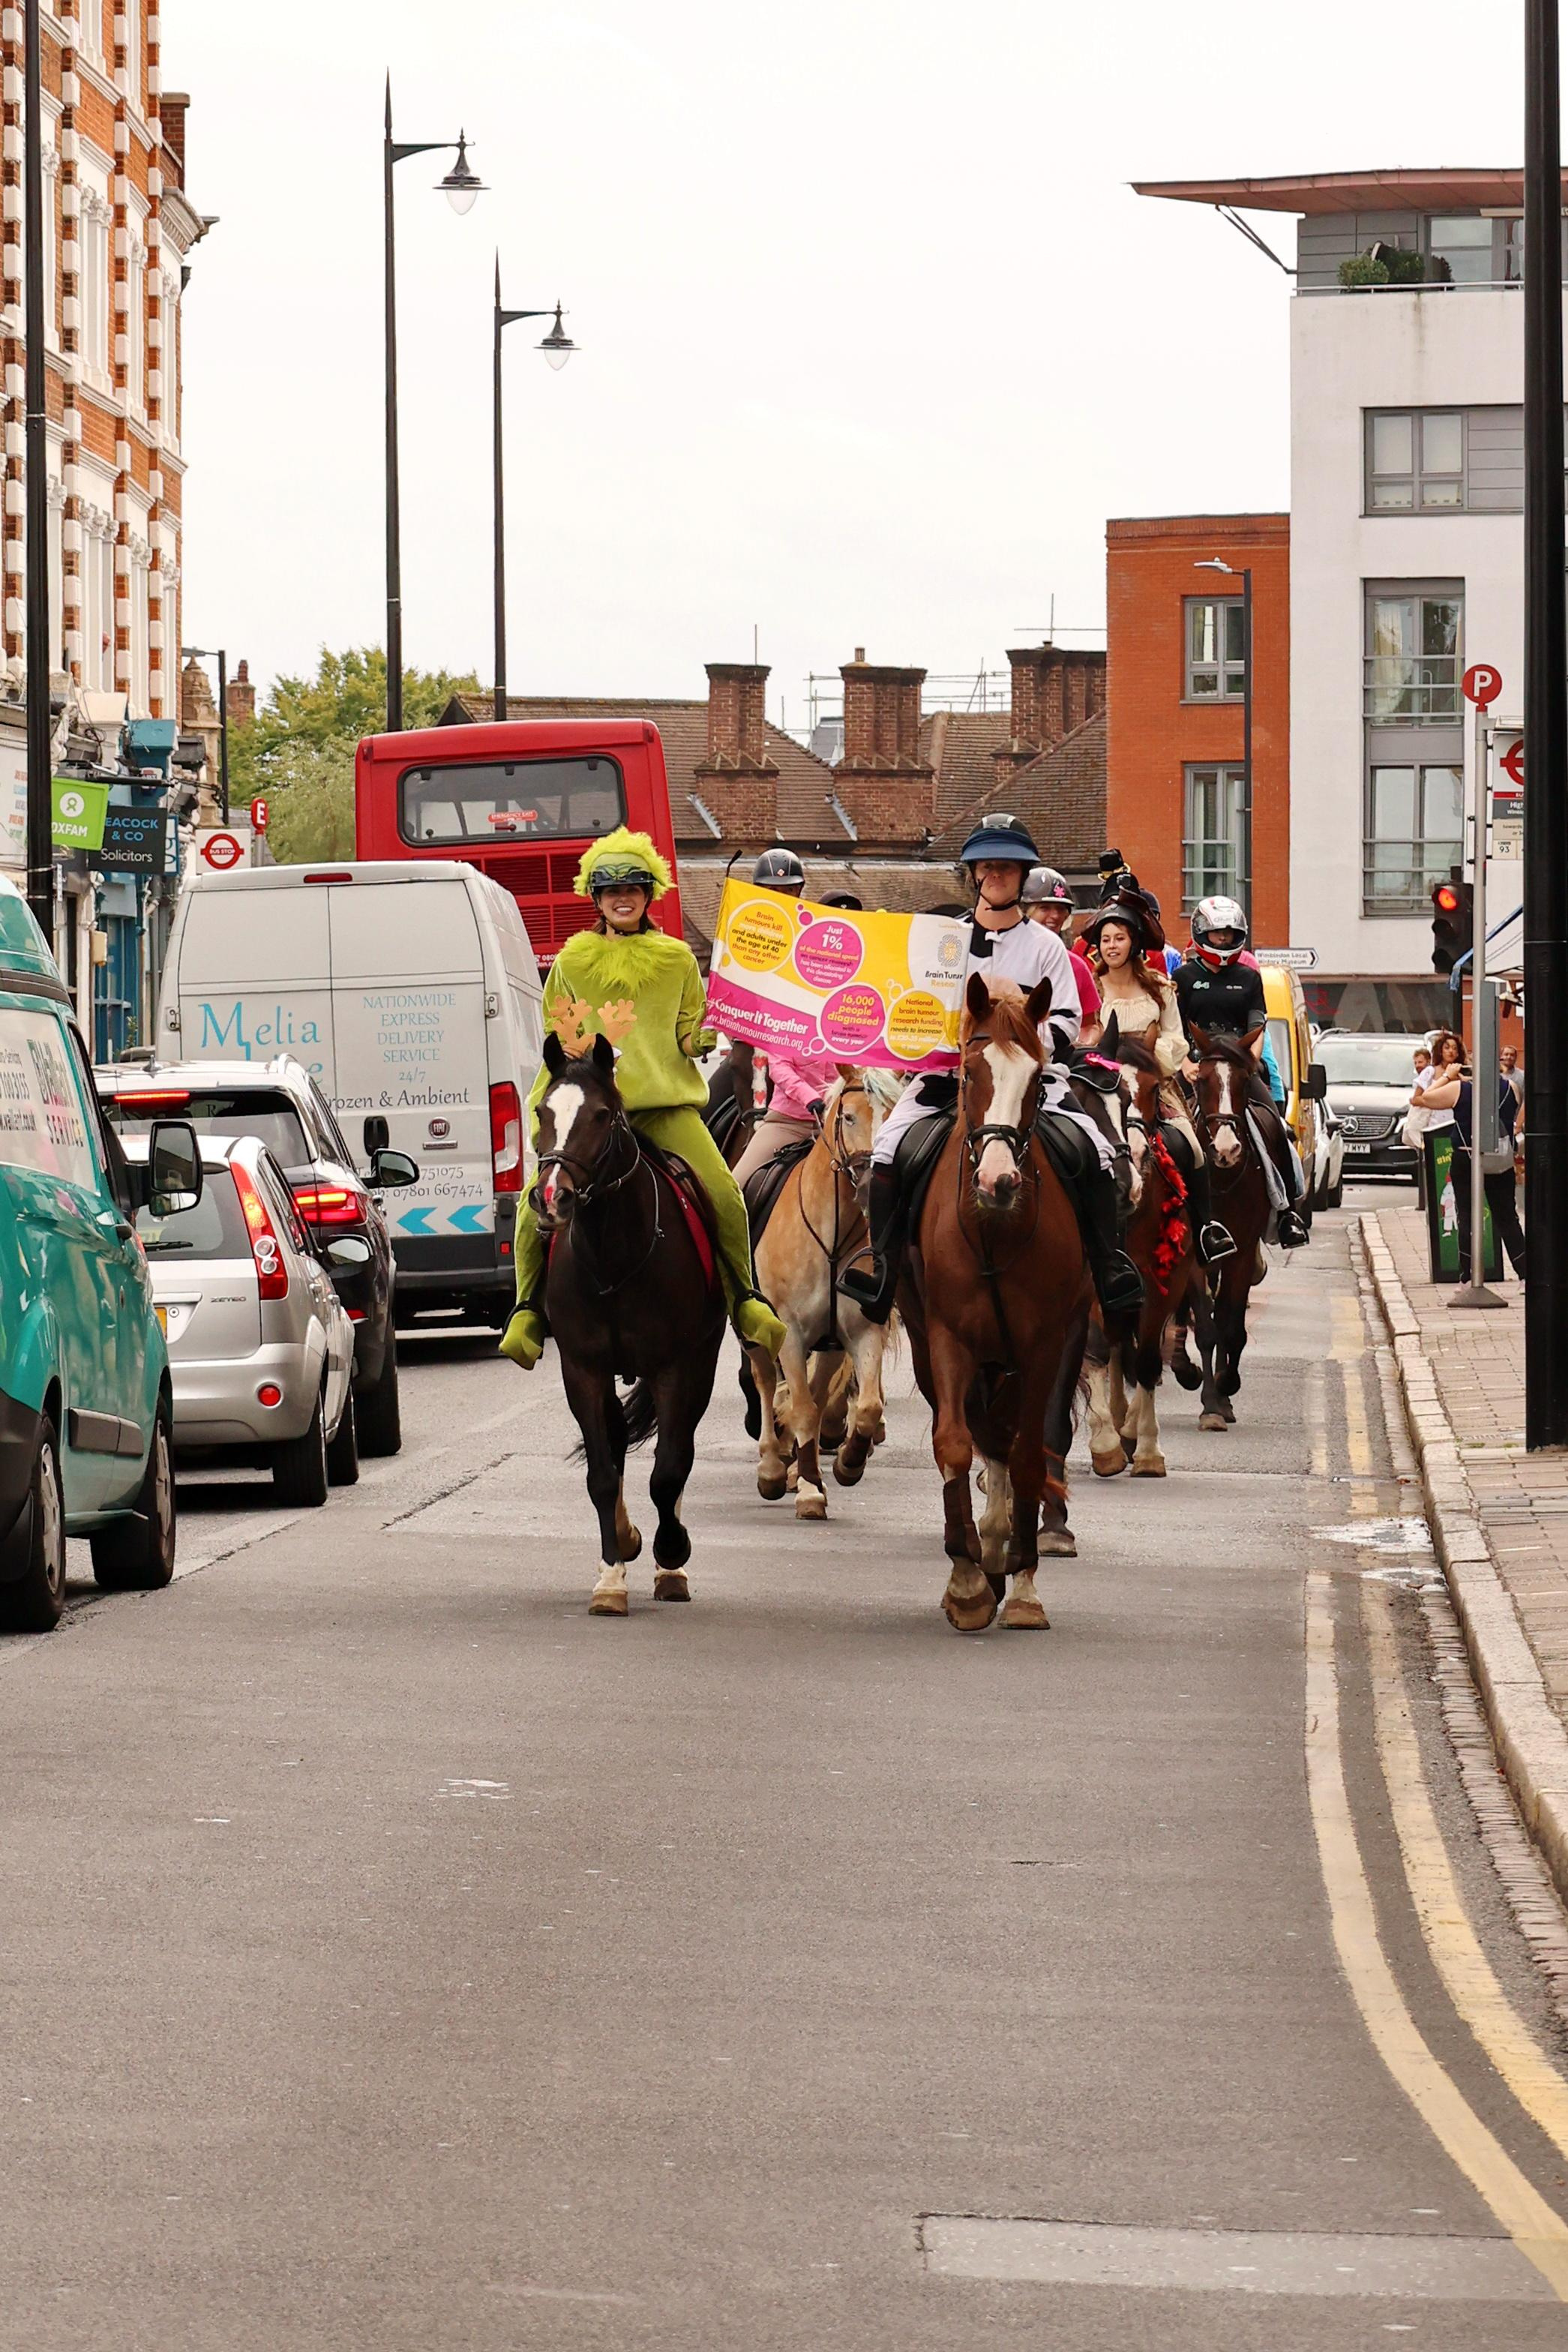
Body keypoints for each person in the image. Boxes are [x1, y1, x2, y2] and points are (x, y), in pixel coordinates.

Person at [499, 828, 787, 1370]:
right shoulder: (570, 962)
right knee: (531, 1199)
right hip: (586, 1104)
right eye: (609, 891)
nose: (621, 897)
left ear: (649, 893)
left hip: (661, 1105)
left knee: (725, 1192)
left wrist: (706, 1032)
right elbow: (561, 1039)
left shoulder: (678, 959)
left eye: (632, 886)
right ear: (596, 899)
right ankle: (527, 1310)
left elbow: (686, 1033)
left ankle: (744, 1299)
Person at [839, 814, 1142, 1323]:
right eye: (988, 866)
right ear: (974, 873)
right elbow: (917, 1008)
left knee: (1096, 1152)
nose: (997, 874)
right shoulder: (943, 941)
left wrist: (1016, 1047)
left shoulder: (1048, 948)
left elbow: (1067, 1019)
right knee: (886, 1151)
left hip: (1033, 1083)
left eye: (1008, 866)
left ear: (1022, 876)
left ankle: (1108, 1268)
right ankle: (882, 1267)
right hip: (948, 1080)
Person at [1081, 893, 1236, 1265]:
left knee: (1192, 1147)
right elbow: (1082, 1035)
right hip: (1102, 1087)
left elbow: (1176, 1039)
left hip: (1155, 1084)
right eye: (1105, 940)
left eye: (1119, 938)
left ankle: (1205, 1230)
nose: (1111, 946)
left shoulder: (1161, 988)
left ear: (1133, 941)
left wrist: (1148, 1062)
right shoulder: (1090, 987)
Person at [1172, 895, 1309, 1247]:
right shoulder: (1183, 977)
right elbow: (1175, 1027)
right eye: (1217, 935)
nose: (1223, 941)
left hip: (1240, 1068)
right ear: (1202, 934)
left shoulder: (1249, 978)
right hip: (1194, 1069)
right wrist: (1186, 1062)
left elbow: (1256, 1023)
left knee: (1276, 1129)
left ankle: (1287, 1212)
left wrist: (1249, 1061)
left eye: (1230, 935)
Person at [723, 848, 844, 1188]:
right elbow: (729, 993)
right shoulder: (743, 936)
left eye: (789, 891)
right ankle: (744, 1133)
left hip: (799, 1036)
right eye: (773, 892)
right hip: (757, 1036)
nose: (782, 898)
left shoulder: (815, 936)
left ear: (800, 892)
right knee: (732, 1071)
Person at [1451, 1062, 1526, 1282]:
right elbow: (1515, 1109)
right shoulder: (1510, 1087)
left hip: (1466, 1155)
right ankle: (1525, 1274)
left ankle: (1467, 1277)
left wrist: (1449, 1075)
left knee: (1466, 1216)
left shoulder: (1460, 1089)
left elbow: (1423, 1099)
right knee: (1507, 1217)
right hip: (1499, 1156)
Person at [1022, 866, 1099, 1024]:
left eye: (1060, 909)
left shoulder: (1077, 966)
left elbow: (1090, 1026)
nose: (1055, 916)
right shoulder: (1005, 956)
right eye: (1044, 908)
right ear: (1025, 911)